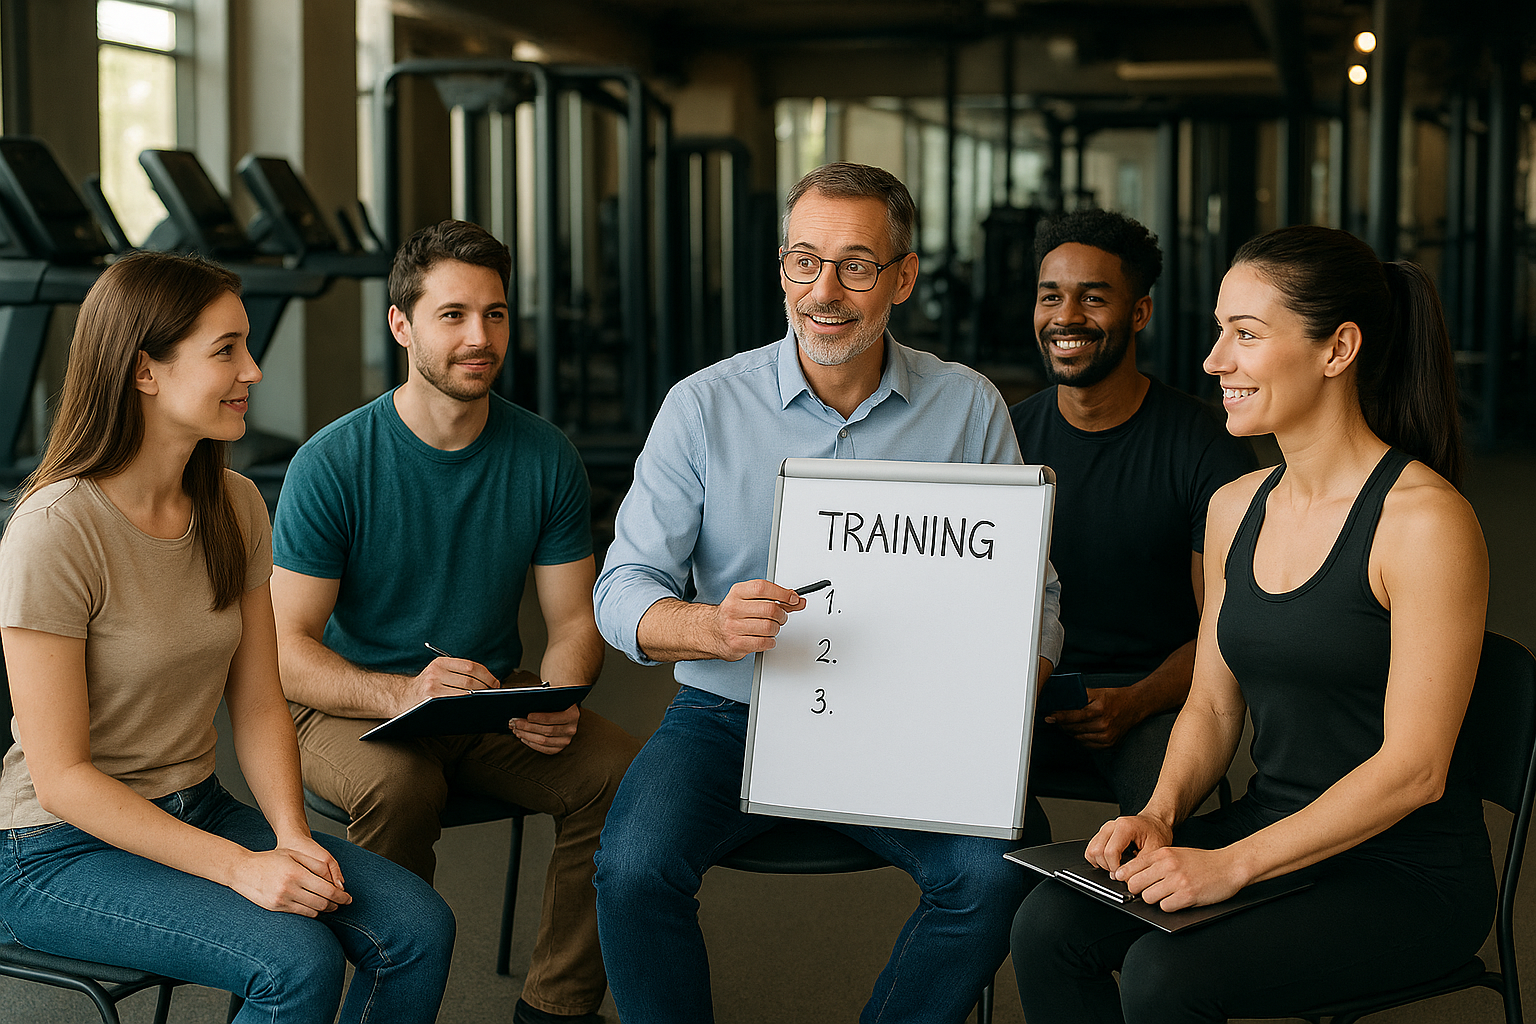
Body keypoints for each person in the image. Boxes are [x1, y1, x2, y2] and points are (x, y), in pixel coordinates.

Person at [592, 161, 1063, 1024]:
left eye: (855, 265)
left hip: (908, 718)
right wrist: (708, 623)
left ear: (904, 277)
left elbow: (1033, 593)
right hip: (731, 713)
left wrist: (1003, 703)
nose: (824, 291)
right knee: (630, 867)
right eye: (804, 262)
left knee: (996, 876)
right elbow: (622, 589)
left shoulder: (967, 407)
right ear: (781, 270)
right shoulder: (701, 407)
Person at [1011, 224, 1494, 1023]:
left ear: (1337, 349)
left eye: (1245, 335)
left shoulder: (1425, 523)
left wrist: (1231, 865)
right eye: (1216, 332)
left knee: (1169, 976)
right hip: (1273, 827)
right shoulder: (1238, 507)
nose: (1213, 361)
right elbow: (1211, 703)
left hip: (1404, 871)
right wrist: (1161, 816)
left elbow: (1416, 770)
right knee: (1049, 926)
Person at [0, 251, 454, 1023]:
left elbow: (258, 699)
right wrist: (244, 870)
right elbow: (63, 779)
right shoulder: (55, 531)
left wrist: (288, 835)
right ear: (145, 371)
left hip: (197, 806)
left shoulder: (234, 504)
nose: (254, 370)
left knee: (417, 928)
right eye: (227, 350)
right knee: (294, 961)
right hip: (56, 848)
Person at [270, 220, 639, 1024]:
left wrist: (553, 690)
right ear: (402, 325)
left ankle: (556, 1007)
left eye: (496, 314)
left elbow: (574, 619)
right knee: (401, 785)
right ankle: (390, 1007)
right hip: (346, 706)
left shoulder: (544, 456)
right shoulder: (332, 464)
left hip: (486, 700)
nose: (481, 337)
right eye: (454, 315)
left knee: (625, 774)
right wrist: (402, 695)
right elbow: (284, 653)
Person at [1012, 208, 1254, 815]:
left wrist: (1138, 699)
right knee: (966, 832)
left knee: (1160, 833)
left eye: (1093, 298)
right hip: (1025, 695)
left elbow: (1226, 630)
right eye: (1051, 297)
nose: (1066, 317)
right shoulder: (1007, 438)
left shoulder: (1206, 445)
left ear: (1138, 312)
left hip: (1151, 700)